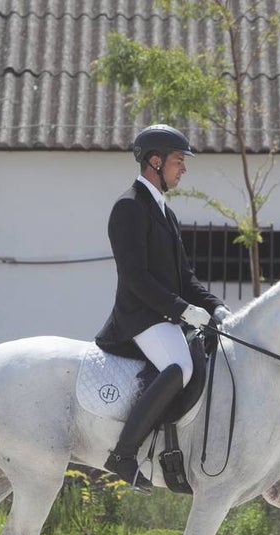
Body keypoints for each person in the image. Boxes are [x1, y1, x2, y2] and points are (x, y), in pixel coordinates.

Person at [95, 124, 230, 491]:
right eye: (177, 160)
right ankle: (123, 453)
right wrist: (183, 310)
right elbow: (136, 278)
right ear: (154, 161)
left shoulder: (165, 214)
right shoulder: (128, 208)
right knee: (179, 365)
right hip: (138, 317)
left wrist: (216, 308)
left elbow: (185, 278)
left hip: (164, 315)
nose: (183, 168)